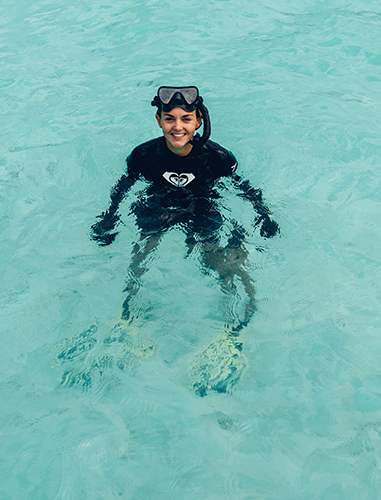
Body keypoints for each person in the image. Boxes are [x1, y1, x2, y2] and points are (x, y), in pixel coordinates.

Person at [91, 86, 279, 395]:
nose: (177, 126)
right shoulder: (143, 156)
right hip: (158, 205)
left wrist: (263, 215)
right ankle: (127, 318)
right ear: (158, 120)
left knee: (218, 262)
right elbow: (122, 187)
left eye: (186, 119)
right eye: (170, 119)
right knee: (142, 253)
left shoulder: (217, 157)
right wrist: (109, 217)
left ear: (199, 121)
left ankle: (234, 329)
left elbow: (243, 188)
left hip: (203, 206)